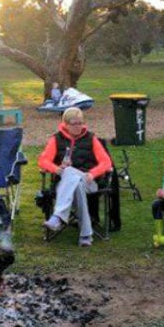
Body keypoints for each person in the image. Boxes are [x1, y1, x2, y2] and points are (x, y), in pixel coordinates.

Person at [38, 106, 113, 247]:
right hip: (65, 184)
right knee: (72, 178)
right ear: (65, 124)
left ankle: (58, 217)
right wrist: (56, 169)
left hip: (89, 181)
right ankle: (86, 235)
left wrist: (92, 173)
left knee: (71, 172)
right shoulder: (56, 139)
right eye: (74, 123)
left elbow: (106, 162)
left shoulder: (91, 138)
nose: (78, 127)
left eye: (80, 123)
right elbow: (43, 161)